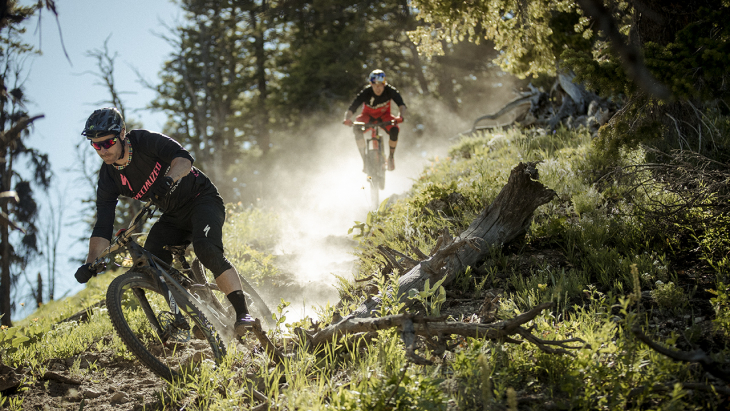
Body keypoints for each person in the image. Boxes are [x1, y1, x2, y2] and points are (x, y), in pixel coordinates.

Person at [73, 107, 254, 336]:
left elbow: (184, 160)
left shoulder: (144, 141)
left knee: (206, 248)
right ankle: (195, 313)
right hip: (172, 216)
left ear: (122, 134)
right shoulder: (109, 177)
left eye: (106, 143)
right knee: (151, 264)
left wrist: (168, 180)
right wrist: (90, 262)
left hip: (201, 199)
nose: (101, 150)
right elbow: (103, 224)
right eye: (95, 144)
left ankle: (242, 313)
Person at [343, 69, 407, 171]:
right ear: (371, 84)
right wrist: (347, 119)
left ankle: (391, 157)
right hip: (367, 116)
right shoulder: (366, 92)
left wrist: (401, 116)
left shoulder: (390, 90)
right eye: (375, 85)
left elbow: (401, 105)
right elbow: (352, 108)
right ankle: (365, 160)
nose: (378, 88)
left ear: (384, 84)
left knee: (394, 130)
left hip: (384, 116)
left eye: (380, 85)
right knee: (356, 129)